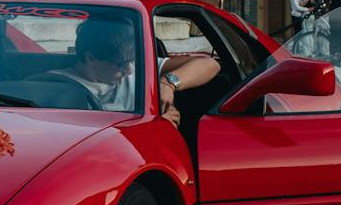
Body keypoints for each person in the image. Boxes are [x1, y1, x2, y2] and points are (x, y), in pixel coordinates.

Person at [39, 18, 220, 130]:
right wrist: (154, 127)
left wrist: (168, 83)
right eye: (121, 64)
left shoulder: (138, 68)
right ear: (91, 58)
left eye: (132, 62)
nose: (130, 70)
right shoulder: (51, 87)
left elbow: (210, 64)